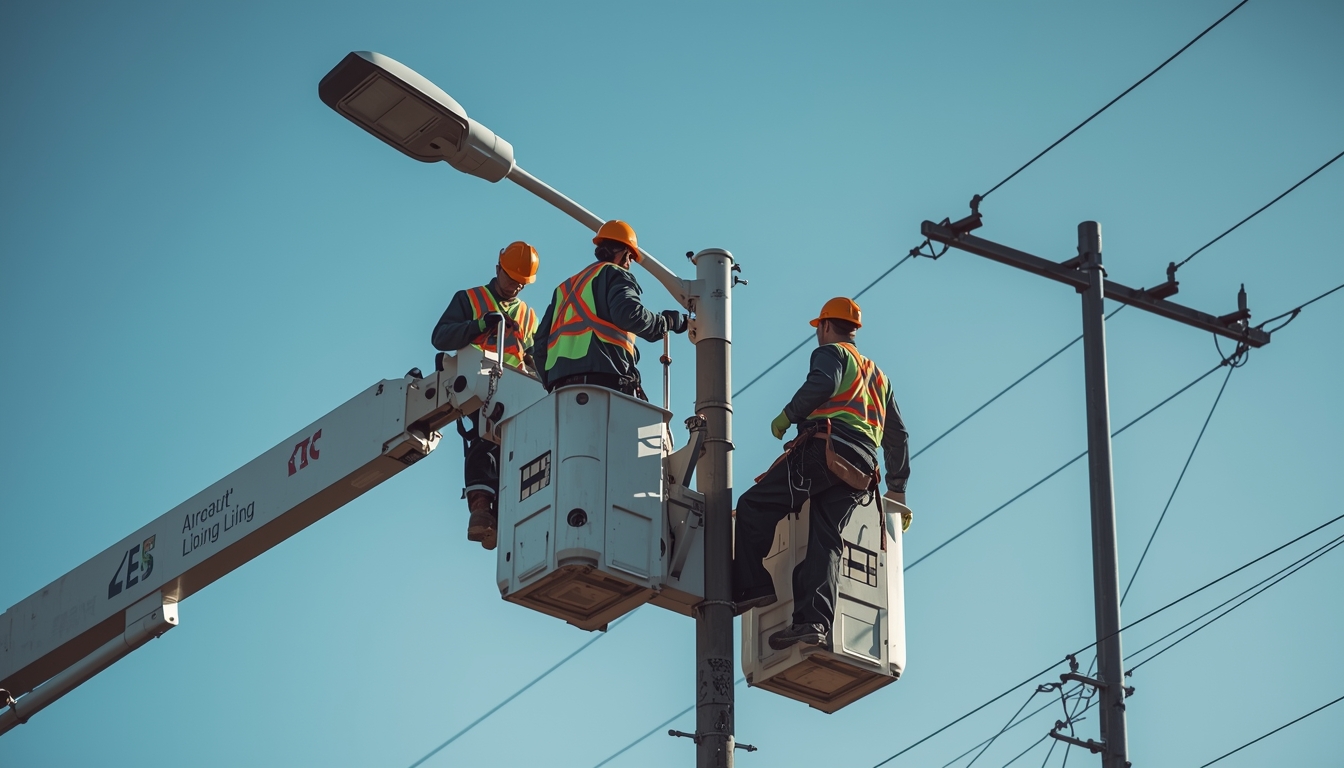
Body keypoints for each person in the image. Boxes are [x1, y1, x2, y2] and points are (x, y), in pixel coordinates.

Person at [731, 297, 911, 651]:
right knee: (826, 540)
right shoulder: (880, 377)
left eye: (819, 329)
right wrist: (899, 489)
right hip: (860, 469)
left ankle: (753, 587)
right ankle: (813, 623)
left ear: (826, 326)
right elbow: (898, 437)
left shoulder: (833, 353)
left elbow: (822, 385)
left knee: (753, 506)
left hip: (824, 449)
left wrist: (787, 416)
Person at [430, 241, 541, 550]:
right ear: (498, 269)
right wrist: (480, 325)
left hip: (516, 390)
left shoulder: (529, 317)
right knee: (483, 441)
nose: (516, 286)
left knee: (516, 453)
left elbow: (537, 358)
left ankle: (502, 513)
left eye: (522, 282)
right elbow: (440, 336)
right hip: (479, 382)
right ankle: (480, 508)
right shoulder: (471, 299)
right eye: (511, 278)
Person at [531, 220, 687, 399]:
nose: (630, 263)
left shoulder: (564, 289)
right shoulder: (616, 273)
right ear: (626, 254)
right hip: (605, 383)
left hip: (560, 390)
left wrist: (552, 383)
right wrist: (667, 322)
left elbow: (540, 345)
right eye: (631, 258)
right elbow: (630, 315)